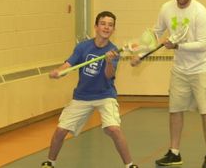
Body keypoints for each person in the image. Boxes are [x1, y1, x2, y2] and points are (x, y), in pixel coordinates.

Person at [131, 0, 206, 167]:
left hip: (202, 66)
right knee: (175, 109)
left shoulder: (201, 13)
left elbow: (203, 45)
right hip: (180, 67)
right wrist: (140, 52)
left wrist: (177, 46)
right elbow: (156, 33)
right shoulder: (166, 9)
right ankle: (174, 152)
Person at [41, 11, 138, 168]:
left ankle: (130, 165)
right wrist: (59, 72)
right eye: (103, 24)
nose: (106, 27)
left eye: (110, 25)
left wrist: (108, 61)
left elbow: (109, 76)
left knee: (114, 129)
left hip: (105, 95)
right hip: (82, 96)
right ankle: (50, 163)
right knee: (60, 130)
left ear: (113, 29)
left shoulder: (113, 51)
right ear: (96, 27)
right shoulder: (83, 47)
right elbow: (69, 64)